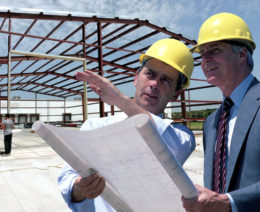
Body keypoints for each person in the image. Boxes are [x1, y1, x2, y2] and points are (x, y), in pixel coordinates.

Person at [58, 38, 196, 212]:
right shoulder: (94, 127)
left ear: (176, 95)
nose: (154, 84)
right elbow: (67, 179)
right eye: (150, 74)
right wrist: (80, 188)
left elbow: (154, 132)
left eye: (166, 80)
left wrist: (119, 100)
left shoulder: (181, 137)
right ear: (136, 78)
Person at [181, 13, 260, 212]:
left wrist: (230, 203)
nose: (205, 60)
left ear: (242, 54)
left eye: (214, 50)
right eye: (202, 54)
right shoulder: (212, 122)